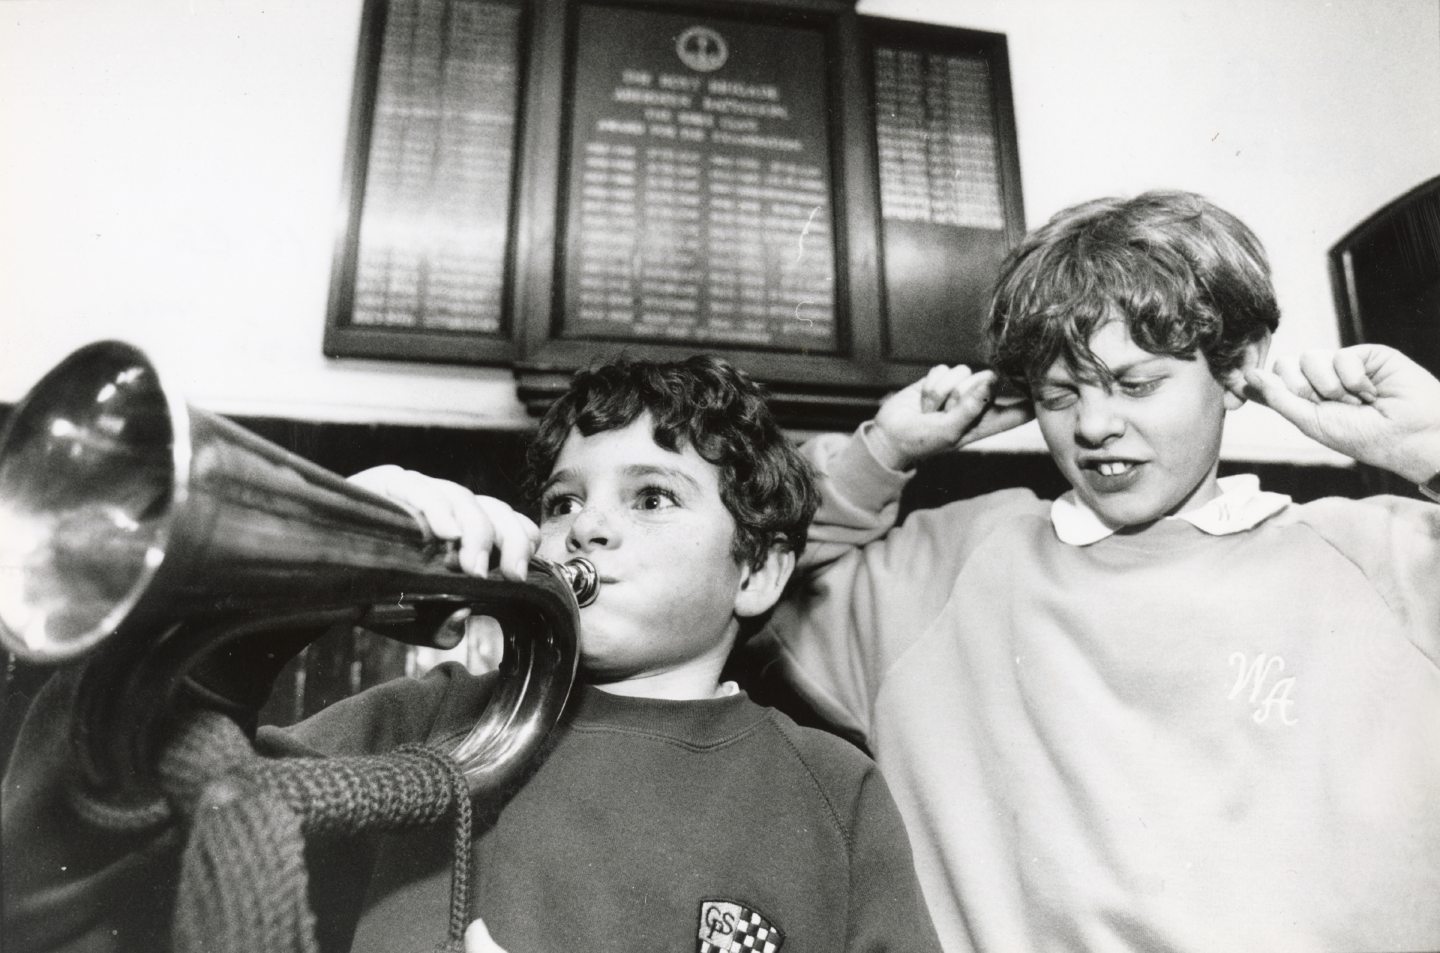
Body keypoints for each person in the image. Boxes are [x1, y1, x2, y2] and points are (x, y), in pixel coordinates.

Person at [2, 355, 942, 953]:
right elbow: (76, 868)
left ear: (761, 572)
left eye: (652, 497)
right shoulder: (428, 719)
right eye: (564, 501)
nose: (589, 529)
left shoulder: (831, 786)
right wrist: (308, 571)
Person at [752, 190, 1440, 953]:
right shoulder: (953, 565)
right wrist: (883, 450)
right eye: (1059, 393)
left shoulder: (1386, 557)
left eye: (1138, 384)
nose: (1093, 424)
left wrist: (1436, 448)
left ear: (1240, 366)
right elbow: (736, 571)